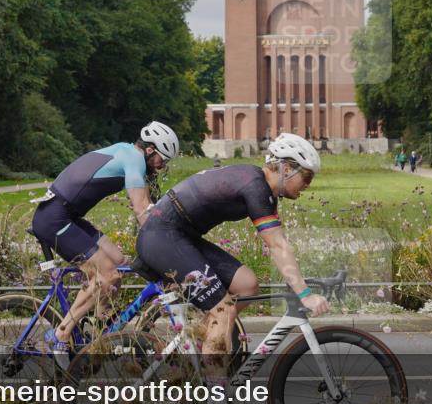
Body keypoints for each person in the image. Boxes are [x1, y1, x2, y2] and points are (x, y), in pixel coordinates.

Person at [136, 133, 329, 376]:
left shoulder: (259, 185)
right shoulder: (255, 186)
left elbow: (279, 242)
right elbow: (277, 246)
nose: (308, 185)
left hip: (178, 235)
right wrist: (304, 294)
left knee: (246, 285)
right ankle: (216, 402)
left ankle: (201, 350)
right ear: (287, 168)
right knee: (223, 310)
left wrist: (300, 286)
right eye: (307, 176)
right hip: (162, 236)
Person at [32, 121, 180, 361]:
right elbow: (142, 210)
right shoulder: (133, 159)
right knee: (107, 275)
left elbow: (152, 205)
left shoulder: (128, 153)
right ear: (150, 150)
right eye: (163, 159)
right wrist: (166, 246)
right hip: (53, 219)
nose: (163, 166)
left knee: (119, 262)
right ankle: (59, 335)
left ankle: (104, 329)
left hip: (66, 215)